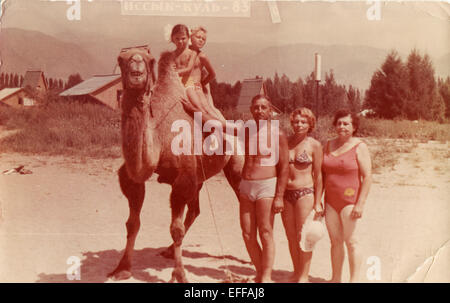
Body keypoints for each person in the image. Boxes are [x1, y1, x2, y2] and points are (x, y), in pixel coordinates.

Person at [238, 95, 289, 282]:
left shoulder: (278, 134)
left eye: (263, 107)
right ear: (251, 110)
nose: (259, 111)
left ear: (270, 111)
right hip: (246, 186)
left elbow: (284, 167)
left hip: (266, 185)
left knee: (265, 232)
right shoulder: (246, 131)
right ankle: (259, 272)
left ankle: (266, 276)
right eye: (256, 107)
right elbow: (219, 127)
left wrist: (279, 196)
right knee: (247, 233)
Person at [317, 109, 372, 283]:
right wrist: (318, 200)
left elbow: (368, 176)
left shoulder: (360, 146)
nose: (342, 126)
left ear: (354, 127)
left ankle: (354, 280)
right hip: (331, 202)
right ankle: (335, 279)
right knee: (335, 242)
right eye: (339, 123)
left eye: (346, 123)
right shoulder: (327, 145)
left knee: (352, 241)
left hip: (350, 201)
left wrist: (360, 204)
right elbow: (321, 176)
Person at [281, 107, 323, 283]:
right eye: (296, 121)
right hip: (286, 194)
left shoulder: (314, 145)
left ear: (310, 124)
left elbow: (319, 174)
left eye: (303, 121)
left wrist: (318, 201)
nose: (299, 124)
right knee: (290, 236)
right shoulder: (286, 142)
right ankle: (296, 271)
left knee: (304, 235)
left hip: (305, 193)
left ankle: (304, 276)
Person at [170, 24, 223, 123]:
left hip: (196, 88)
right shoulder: (184, 51)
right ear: (190, 37)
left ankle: (219, 129)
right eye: (198, 37)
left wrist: (202, 84)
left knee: (206, 109)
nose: (201, 40)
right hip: (182, 85)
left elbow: (212, 74)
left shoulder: (202, 56)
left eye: (203, 39)